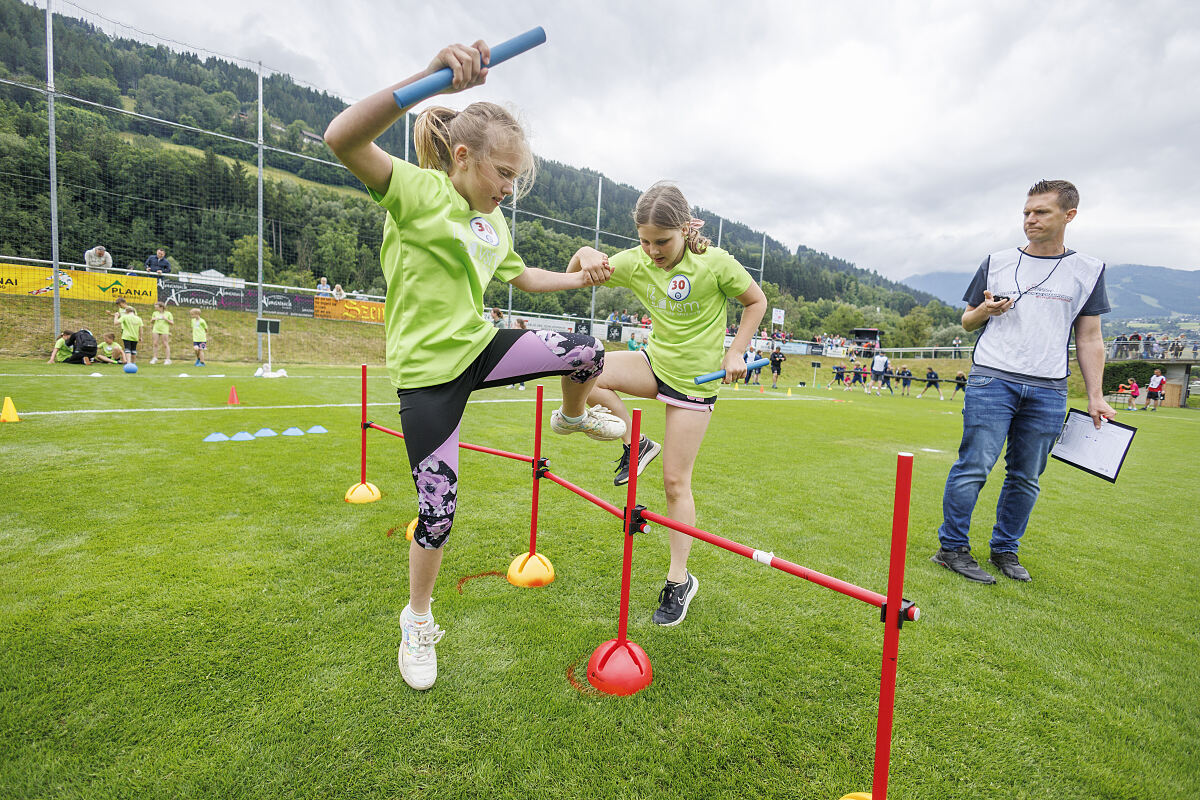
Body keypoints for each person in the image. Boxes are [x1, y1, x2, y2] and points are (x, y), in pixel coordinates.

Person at [323, 39, 625, 691]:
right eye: (503, 174)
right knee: (438, 514)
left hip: (478, 348)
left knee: (584, 352)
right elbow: (342, 138)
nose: (510, 189)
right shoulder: (416, 193)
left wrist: (579, 277)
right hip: (427, 377)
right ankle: (417, 620)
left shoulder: (495, 226)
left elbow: (524, 279)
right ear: (463, 157)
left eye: (517, 178)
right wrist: (432, 83)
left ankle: (573, 422)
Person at [566, 181, 767, 628]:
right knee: (582, 362)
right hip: (652, 363)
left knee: (676, 484)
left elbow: (756, 301)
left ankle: (680, 580)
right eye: (644, 241)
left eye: (662, 241)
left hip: (695, 383)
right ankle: (637, 442)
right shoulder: (636, 260)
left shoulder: (715, 264)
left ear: (683, 229)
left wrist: (736, 352)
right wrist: (584, 250)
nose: (653, 251)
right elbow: (575, 275)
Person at [932, 179, 1115, 584]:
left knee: (1026, 476)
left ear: (1069, 216)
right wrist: (987, 311)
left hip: (1049, 387)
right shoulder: (995, 261)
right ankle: (952, 549)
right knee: (975, 465)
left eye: (1041, 212)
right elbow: (966, 321)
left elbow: (1089, 337)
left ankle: (1005, 552)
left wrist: (1096, 396)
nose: (1030, 220)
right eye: (1026, 213)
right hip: (992, 379)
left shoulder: (1088, 270)